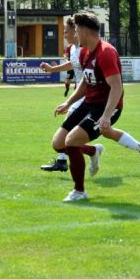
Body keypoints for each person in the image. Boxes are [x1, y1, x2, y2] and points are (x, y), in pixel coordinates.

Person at [50, 12, 140, 202]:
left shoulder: (106, 53)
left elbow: (117, 86)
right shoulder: (83, 52)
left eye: (76, 30)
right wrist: (69, 102)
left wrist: (106, 116)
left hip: (106, 107)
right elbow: (85, 83)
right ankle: (94, 151)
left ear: (85, 31)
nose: (74, 35)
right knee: (58, 143)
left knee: (71, 141)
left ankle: (79, 191)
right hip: (89, 103)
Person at [39, 17, 86, 173]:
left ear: (76, 31)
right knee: (106, 131)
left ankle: (90, 153)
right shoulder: (73, 48)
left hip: (88, 94)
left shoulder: (87, 48)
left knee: (66, 132)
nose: (64, 34)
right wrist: (53, 69)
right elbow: (73, 64)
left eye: (66, 31)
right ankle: (63, 160)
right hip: (79, 93)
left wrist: (69, 102)